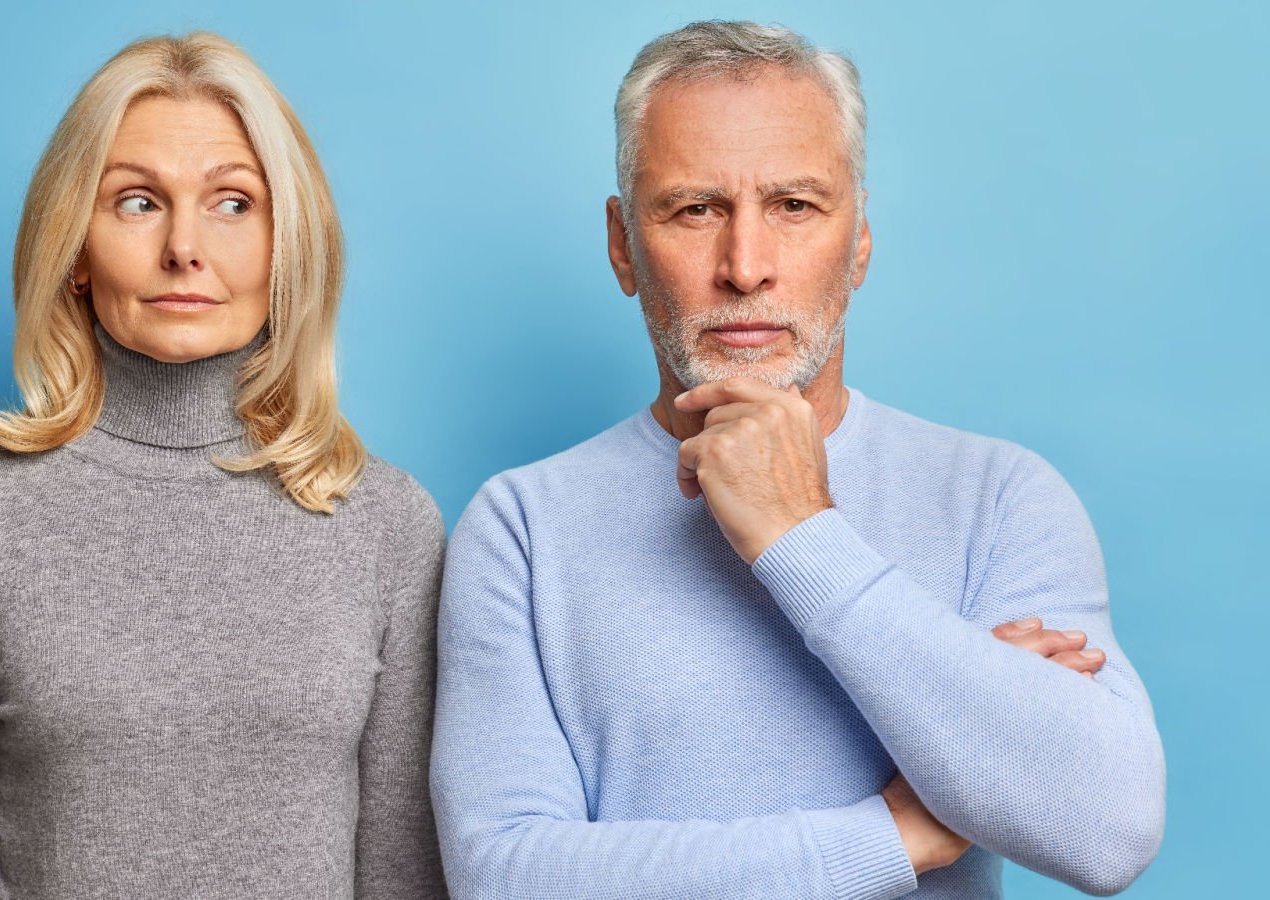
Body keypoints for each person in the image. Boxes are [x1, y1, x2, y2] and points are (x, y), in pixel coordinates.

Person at [430, 20, 1164, 899]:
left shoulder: (998, 498)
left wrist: (800, 534)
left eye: (795, 206)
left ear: (858, 240)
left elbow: (1109, 828)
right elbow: (505, 878)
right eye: (695, 209)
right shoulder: (520, 527)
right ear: (625, 245)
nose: (746, 267)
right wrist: (893, 836)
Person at [0, 32, 447, 899]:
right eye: (138, 202)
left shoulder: (388, 524)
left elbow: (404, 879)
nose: (184, 247)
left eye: (232, 203)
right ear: (72, 248)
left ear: (286, 245)